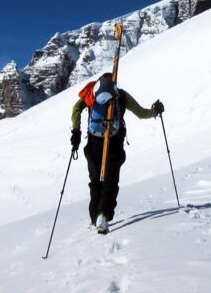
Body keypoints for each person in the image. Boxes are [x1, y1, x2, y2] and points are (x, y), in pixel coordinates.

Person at [70, 72, 164, 234]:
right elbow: (141, 113)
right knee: (110, 181)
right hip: (114, 144)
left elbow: (76, 109)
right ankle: (103, 215)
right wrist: (155, 111)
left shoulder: (92, 92)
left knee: (95, 181)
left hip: (93, 144)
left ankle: (95, 217)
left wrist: (76, 132)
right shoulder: (121, 95)